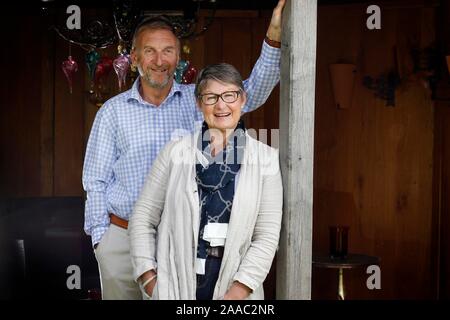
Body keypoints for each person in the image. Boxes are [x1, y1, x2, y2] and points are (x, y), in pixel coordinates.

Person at [82, 0, 286, 300]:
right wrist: (102, 241)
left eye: (168, 51)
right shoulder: (112, 112)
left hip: (182, 244)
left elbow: (250, 90)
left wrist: (273, 37)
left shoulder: (200, 100)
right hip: (124, 240)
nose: (159, 60)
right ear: (135, 58)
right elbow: (94, 181)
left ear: (179, 58)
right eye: (149, 51)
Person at [129, 63, 283, 300]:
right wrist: (150, 280)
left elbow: (266, 236)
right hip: (176, 287)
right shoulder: (174, 152)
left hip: (236, 288)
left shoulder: (266, 160)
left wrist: (237, 293)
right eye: (211, 97)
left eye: (230, 95)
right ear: (199, 103)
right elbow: (143, 216)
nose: (221, 105)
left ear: (242, 99)